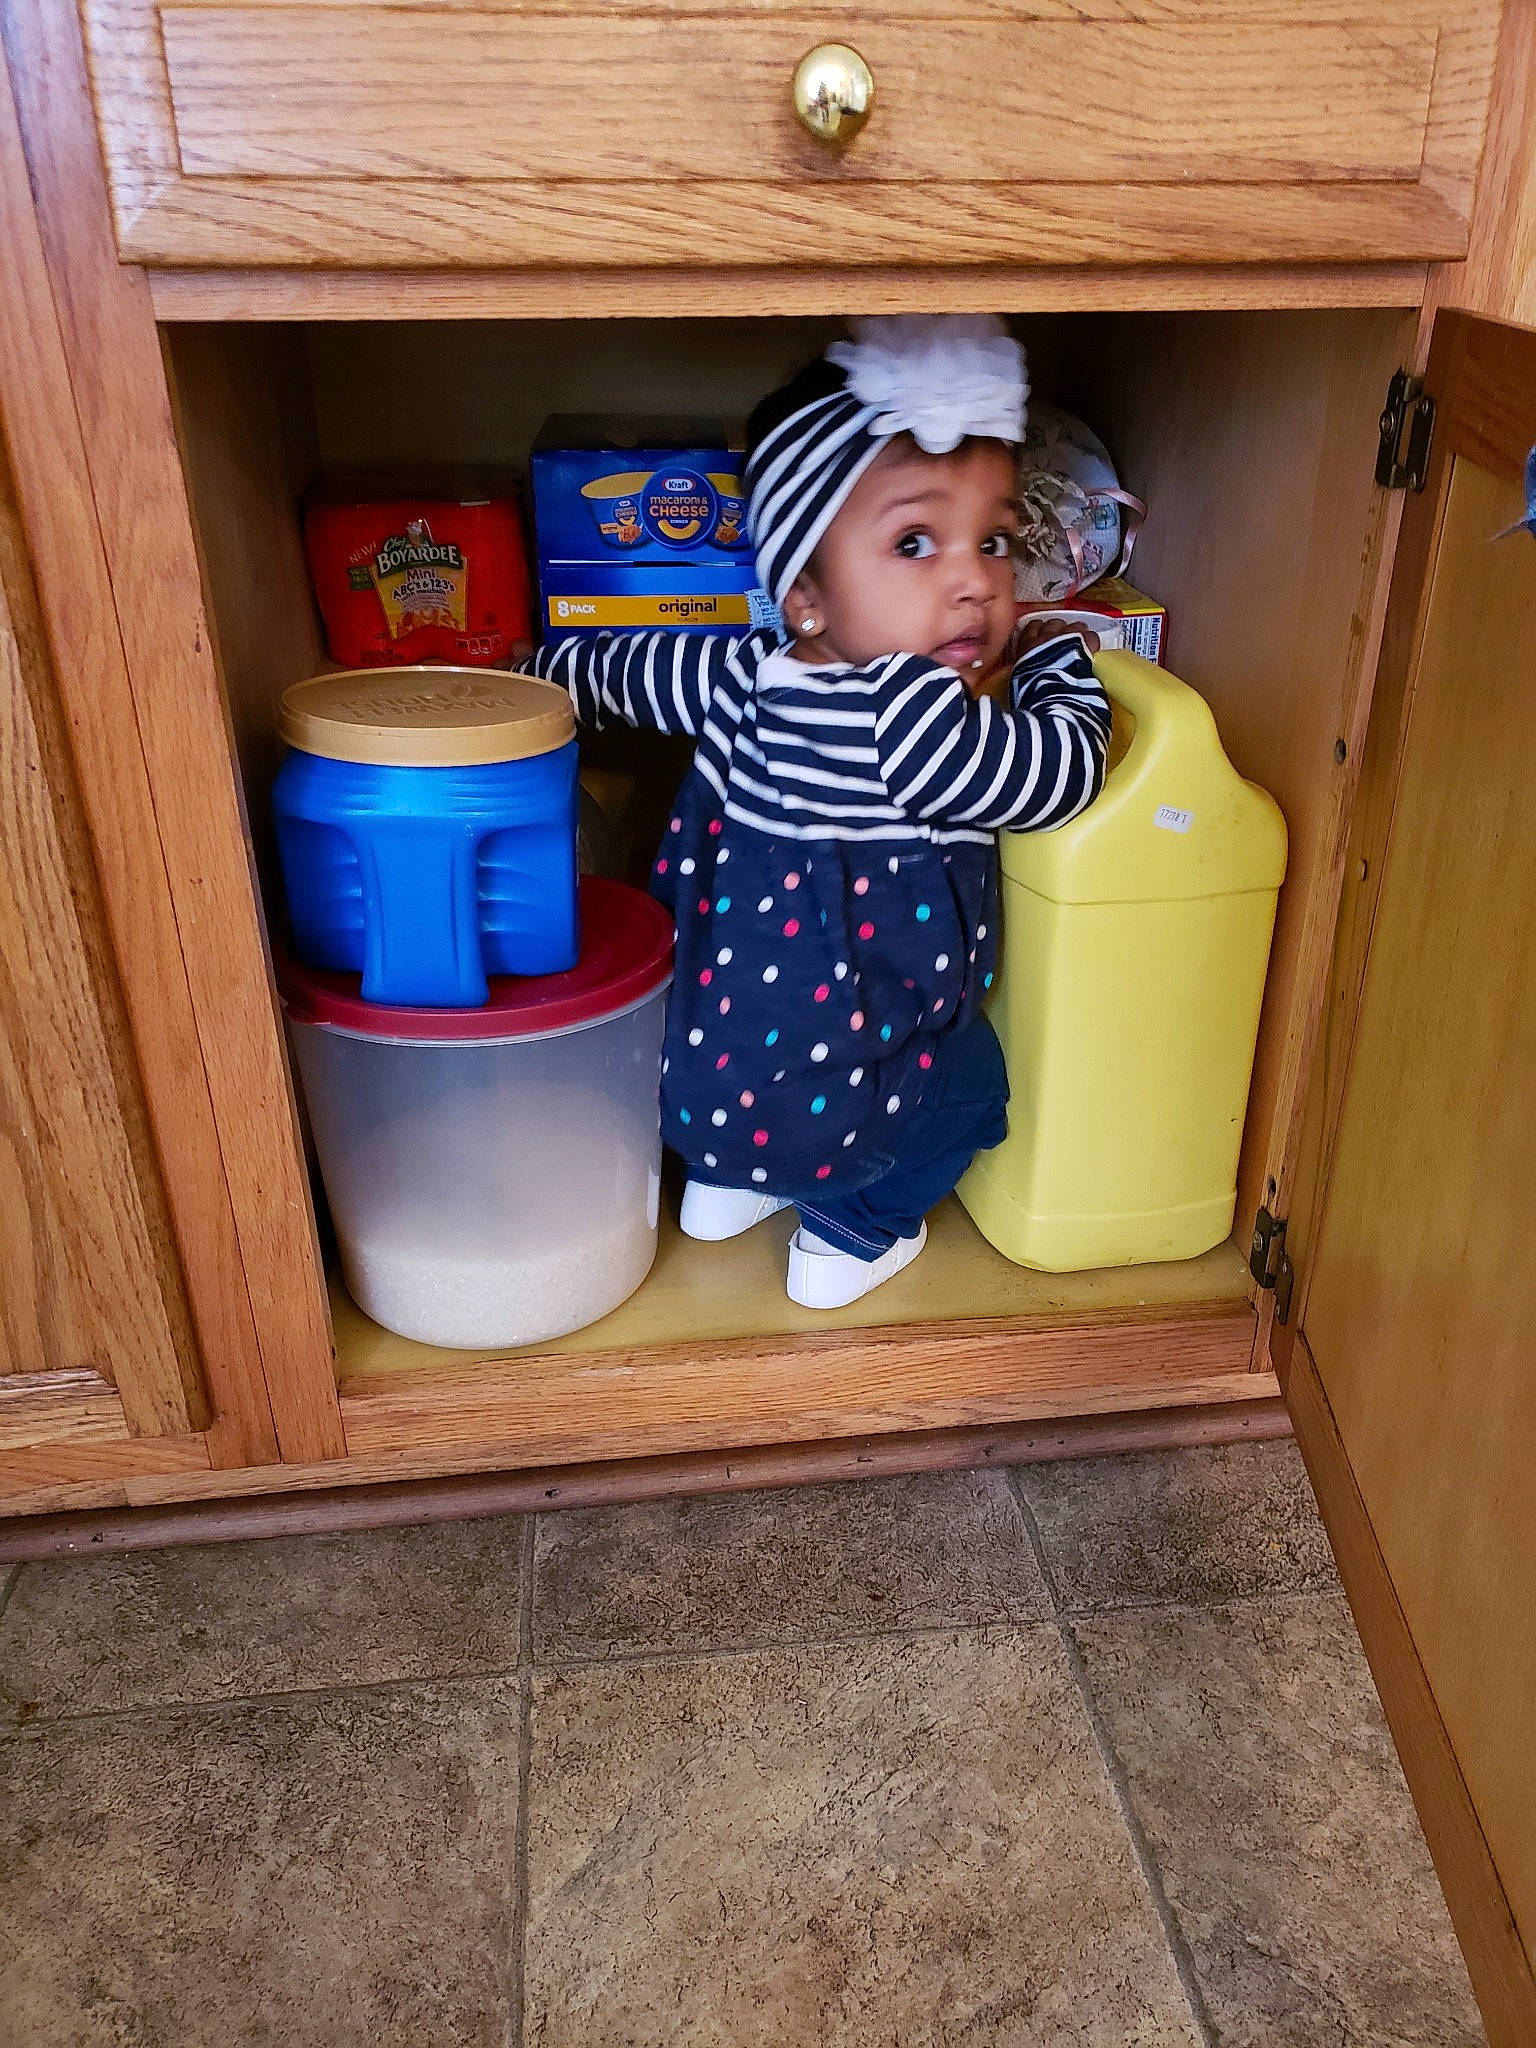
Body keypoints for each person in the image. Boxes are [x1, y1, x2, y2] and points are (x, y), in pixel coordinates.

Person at [532, 315, 1111, 1309]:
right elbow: (1059, 774)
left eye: (997, 540)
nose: (974, 579)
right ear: (805, 590)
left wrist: (536, 674)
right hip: (836, 1105)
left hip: (698, 1084)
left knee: (771, 1021)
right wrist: (1063, 673)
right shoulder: (923, 722)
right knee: (974, 1085)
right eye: (916, 542)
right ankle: (850, 1231)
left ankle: (724, 1190)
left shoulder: (739, 672)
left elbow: (616, 667)